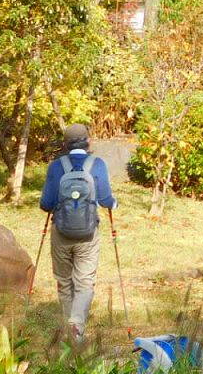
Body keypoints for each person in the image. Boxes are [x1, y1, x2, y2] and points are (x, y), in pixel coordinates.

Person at [39, 124, 117, 342]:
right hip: (88, 235)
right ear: (88, 141)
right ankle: (77, 327)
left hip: (61, 233)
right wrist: (114, 203)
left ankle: (68, 329)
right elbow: (105, 200)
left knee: (64, 282)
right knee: (85, 282)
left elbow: (46, 204)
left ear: (65, 144)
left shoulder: (56, 167)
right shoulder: (97, 164)